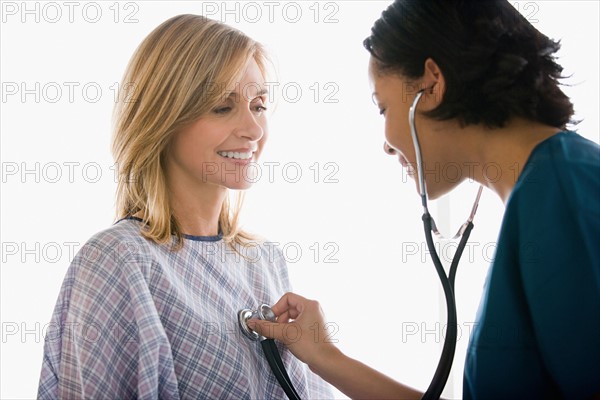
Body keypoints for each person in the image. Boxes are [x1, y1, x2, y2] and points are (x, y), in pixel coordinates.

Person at [249, 1, 600, 399]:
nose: (385, 143)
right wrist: (326, 357)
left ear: (431, 85)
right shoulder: (545, 192)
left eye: (383, 107)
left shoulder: (565, 192)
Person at [37, 14, 332, 399]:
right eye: (223, 107)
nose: (254, 130)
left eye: (258, 105)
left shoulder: (265, 261)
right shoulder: (117, 261)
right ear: (163, 117)